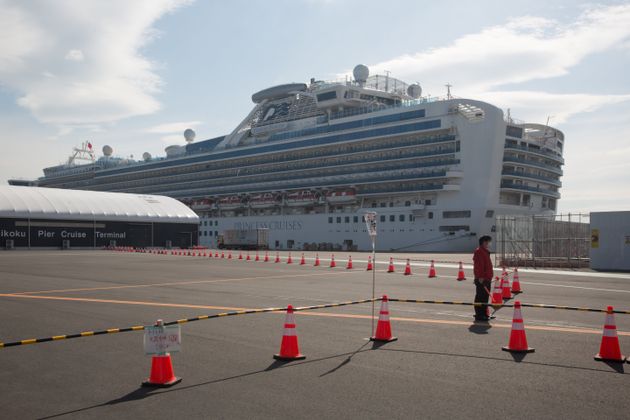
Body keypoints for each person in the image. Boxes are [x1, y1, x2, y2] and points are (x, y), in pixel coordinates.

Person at [473, 235, 493, 321]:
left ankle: (484, 314)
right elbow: (479, 266)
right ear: (482, 243)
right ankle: (479, 315)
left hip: (486, 278)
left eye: (488, 242)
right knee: (480, 297)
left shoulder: (485, 251)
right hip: (482, 279)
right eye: (486, 242)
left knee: (485, 297)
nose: (488, 243)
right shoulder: (479, 251)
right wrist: (480, 277)